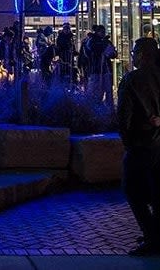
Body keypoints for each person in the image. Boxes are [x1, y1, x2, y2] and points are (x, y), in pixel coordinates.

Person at [117, 37, 160, 256]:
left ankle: (152, 236)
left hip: (141, 144)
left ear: (142, 55)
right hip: (157, 143)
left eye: (134, 52)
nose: (132, 56)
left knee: (132, 190)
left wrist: (128, 142)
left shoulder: (132, 79)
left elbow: (123, 117)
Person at [84, 25, 118, 108]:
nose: (103, 33)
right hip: (96, 69)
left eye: (103, 32)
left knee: (108, 89)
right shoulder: (92, 41)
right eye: (101, 32)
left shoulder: (106, 41)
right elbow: (90, 51)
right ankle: (95, 107)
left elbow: (113, 53)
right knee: (96, 89)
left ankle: (109, 107)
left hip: (105, 69)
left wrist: (111, 53)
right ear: (97, 32)